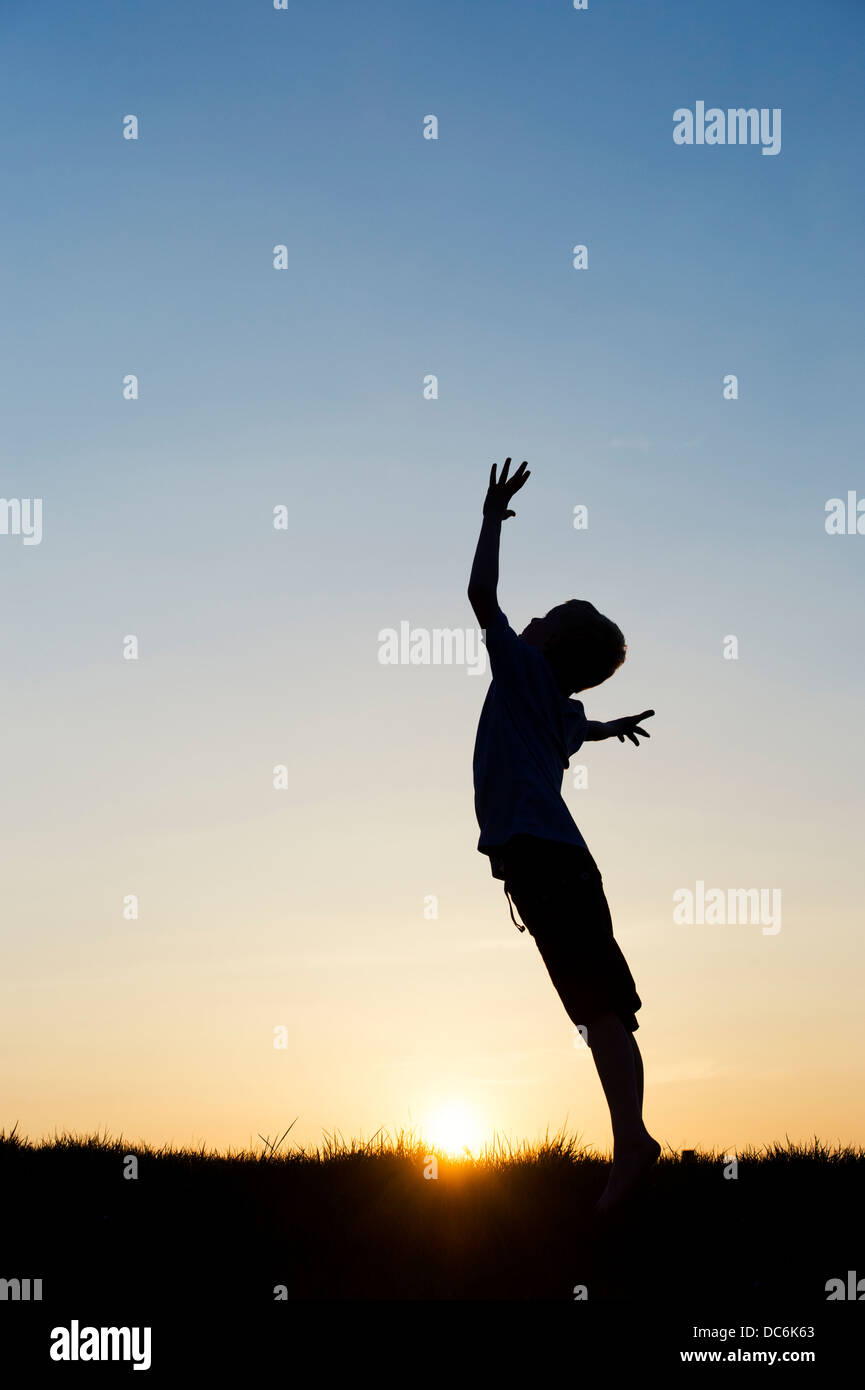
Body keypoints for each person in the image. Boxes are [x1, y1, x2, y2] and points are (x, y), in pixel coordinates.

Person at [468, 457, 661, 1216]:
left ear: (545, 646)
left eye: (542, 617)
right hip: (567, 867)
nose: (531, 618)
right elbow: (583, 725)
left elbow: (482, 597)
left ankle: (633, 1144)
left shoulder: (521, 672)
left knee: (596, 1009)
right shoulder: (558, 706)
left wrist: (490, 517)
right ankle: (633, 1141)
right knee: (603, 1009)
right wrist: (613, 725)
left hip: (547, 863)